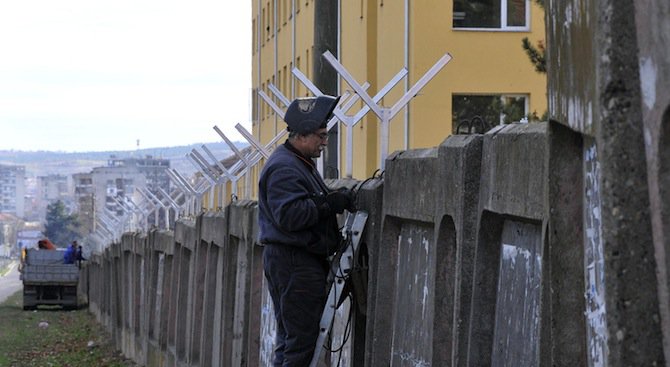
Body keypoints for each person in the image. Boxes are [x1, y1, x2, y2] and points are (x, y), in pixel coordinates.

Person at [258, 95, 356, 366]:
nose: (325, 141)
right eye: (321, 136)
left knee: (291, 342)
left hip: (292, 261)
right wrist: (328, 204)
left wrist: (327, 199)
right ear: (301, 135)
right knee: (300, 346)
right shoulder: (284, 168)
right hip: (294, 263)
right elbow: (289, 215)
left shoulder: (295, 162)